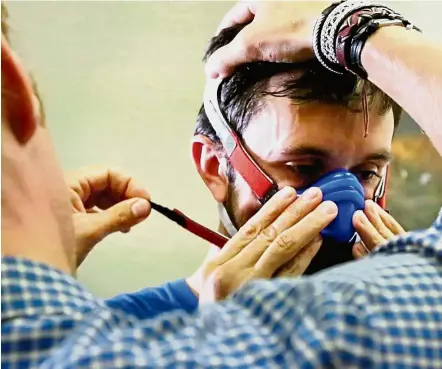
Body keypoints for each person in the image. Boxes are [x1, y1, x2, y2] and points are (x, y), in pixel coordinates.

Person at [2, 1, 442, 368]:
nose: (344, 212)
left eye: (366, 175)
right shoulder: (106, 340)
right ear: (214, 166)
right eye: (305, 167)